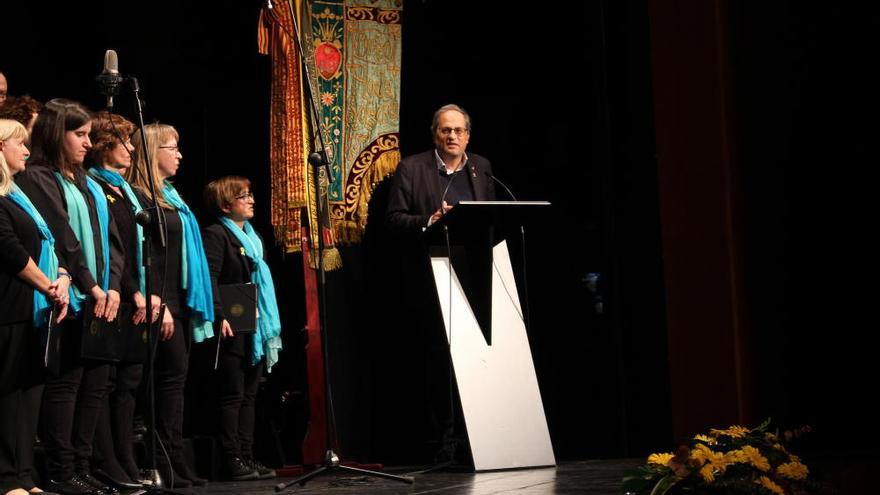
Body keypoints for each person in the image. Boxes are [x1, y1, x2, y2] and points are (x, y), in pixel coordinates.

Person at [15, 99, 124, 495]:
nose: (88, 142)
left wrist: (111, 285)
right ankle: (62, 469)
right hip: (70, 294)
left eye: (89, 135)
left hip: (99, 292)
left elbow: (111, 238)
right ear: (55, 133)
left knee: (95, 383)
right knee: (67, 383)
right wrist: (91, 285)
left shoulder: (86, 181)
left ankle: (82, 464)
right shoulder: (40, 177)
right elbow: (64, 236)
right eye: (79, 134)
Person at [385, 104, 496, 463]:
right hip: (431, 276)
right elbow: (394, 220)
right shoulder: (412, 168)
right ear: (435, 134)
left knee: (477, 359)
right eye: (445, 130)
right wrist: (428, 220)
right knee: (440, 362)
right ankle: (444, 444)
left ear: (468, 135)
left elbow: (491, 217)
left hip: (476, 276)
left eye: (459, 131)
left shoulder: (481, 167)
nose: (452, 136)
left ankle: (478, 438)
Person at [127, 123, 212, 488]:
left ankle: (174, 456)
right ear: (151, 152)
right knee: (159, 383)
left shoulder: (173, 197)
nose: (179, 155)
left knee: (175, 382)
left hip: (178, 299)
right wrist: (155, 300)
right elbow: (139, 255)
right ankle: (159, 458)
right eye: (171, 147)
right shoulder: (138, 198)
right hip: (156, 300)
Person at [86, 112, 161, 490]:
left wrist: (149, 290)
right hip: (117, 293)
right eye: (125, 141)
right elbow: (115, 248)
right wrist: (133, 289)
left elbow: (140, 244)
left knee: (130, 380)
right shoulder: (97, 186)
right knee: (107, 381)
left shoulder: (125, 189)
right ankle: (106, 460)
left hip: (137, 295)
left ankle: (126, 458)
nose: (132, 148)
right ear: (103, 145)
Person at [0, 118, 70, 495]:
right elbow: (10, 251)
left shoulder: (18, 197)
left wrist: (62, 277)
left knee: (30, 395)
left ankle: (25, 475)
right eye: (20, 144)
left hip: (35, 308)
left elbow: (46, 244)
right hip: (9, 307)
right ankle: (6, 477)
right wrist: (48, 287)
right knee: (9, 396)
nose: (27, 150)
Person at [202, 176, 281, 481]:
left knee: (250, 394)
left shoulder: (253, 237)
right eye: (243, 196)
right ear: (225, 205)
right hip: (232, 320)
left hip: (255, 320)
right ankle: (231, 458)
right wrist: (219, 314)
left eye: (250, 195)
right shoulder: (216, 234)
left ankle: (247, 456)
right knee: (232, 394)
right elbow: (210, 277)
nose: (251, 200)